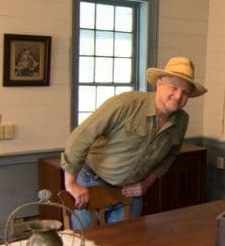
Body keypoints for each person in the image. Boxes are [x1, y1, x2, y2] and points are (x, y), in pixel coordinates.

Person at [61, 56, 207, 227]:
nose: (178, 95)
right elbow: (81, 137)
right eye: (174, 87)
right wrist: (70, 182)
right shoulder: (125, 104)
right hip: (90, 183)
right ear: (159, 83)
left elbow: (171, 154)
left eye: (185, 92)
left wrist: (147, 182)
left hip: (129, 193)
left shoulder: (181, 121)